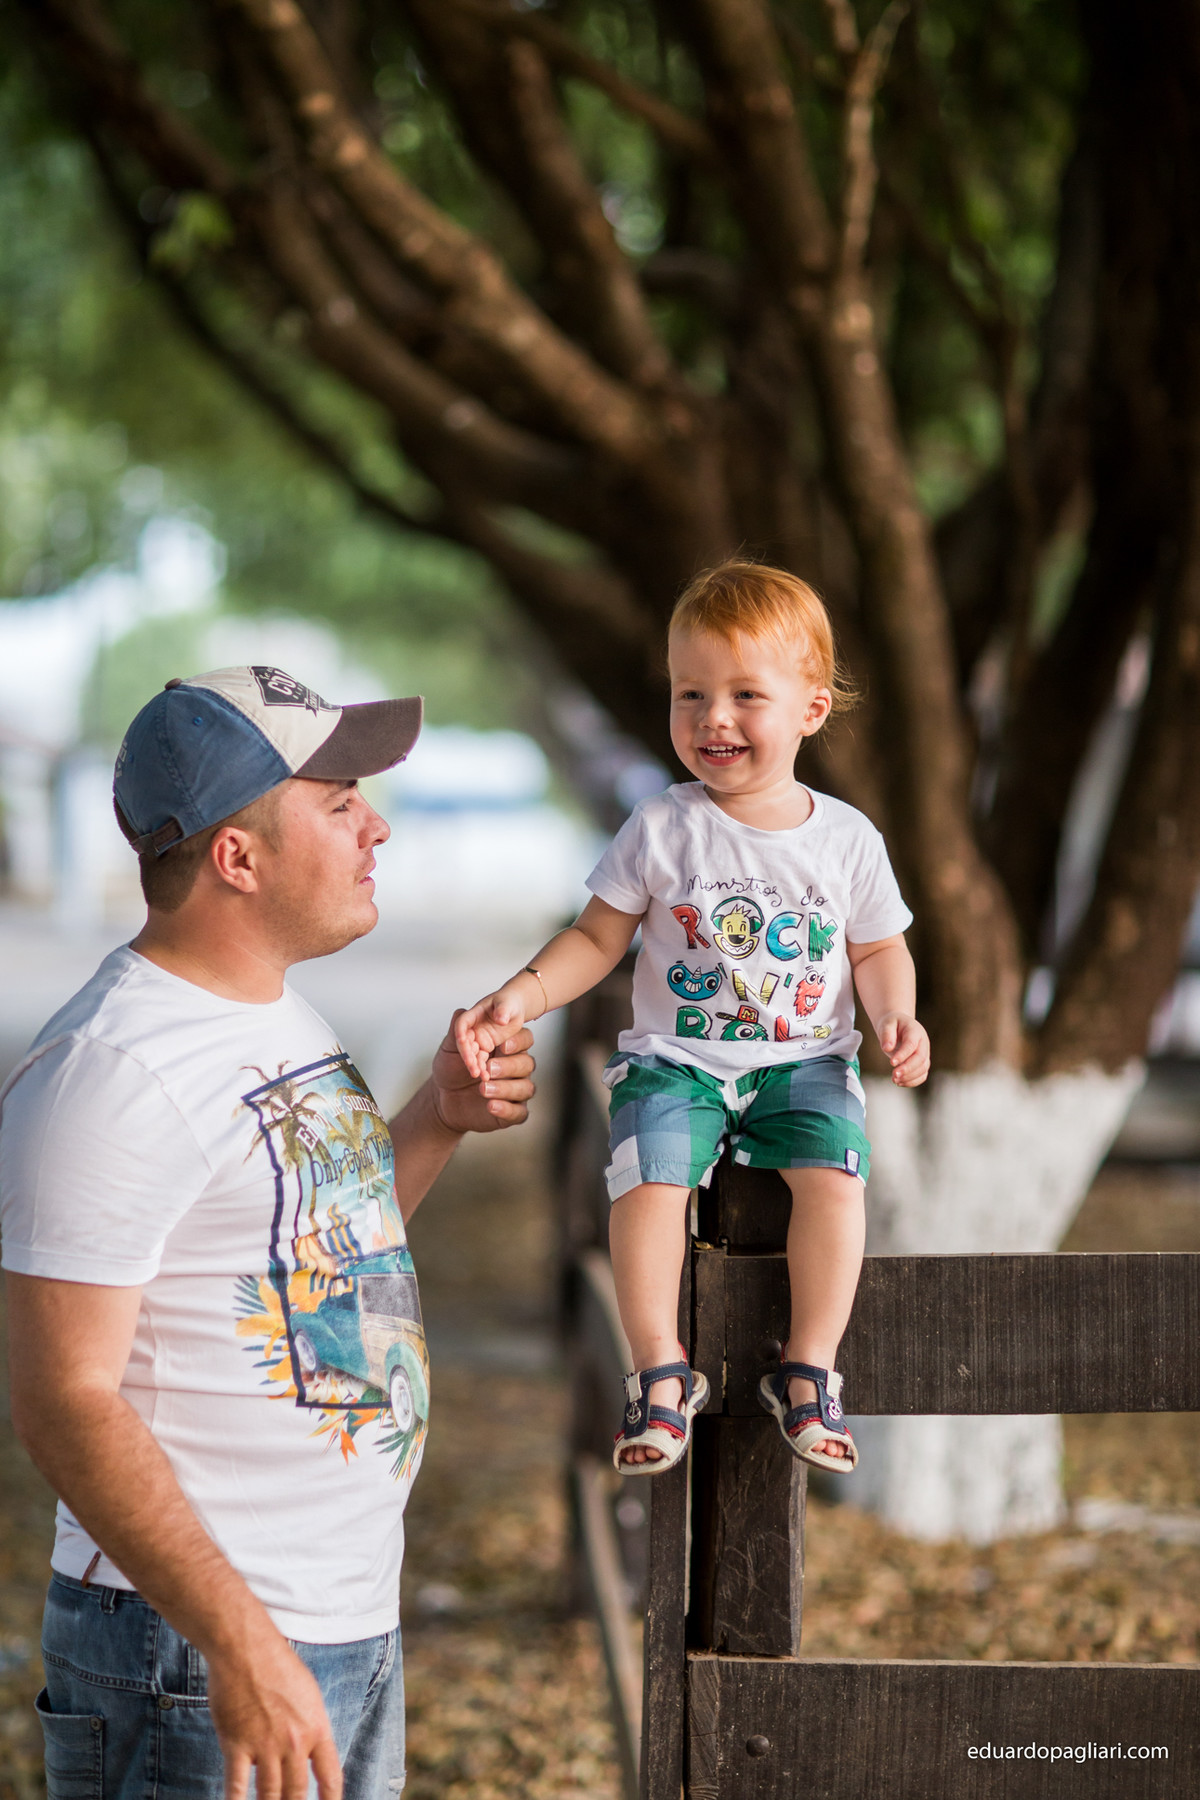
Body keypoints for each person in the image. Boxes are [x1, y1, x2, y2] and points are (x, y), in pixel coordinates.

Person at [0, 664, 536, 1800]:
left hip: (338, 1617)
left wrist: (437, 1118)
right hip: (189, 1654)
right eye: (339, 803)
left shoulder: (274, 1011)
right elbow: (62, 1399)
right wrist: (240, 1646)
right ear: (236, 858)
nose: (375, 826)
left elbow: (324, 1246)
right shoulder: (109, 1074)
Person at [457, 562, 930, 1475]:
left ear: (812, 710)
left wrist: (896, 1016)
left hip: (806, 1061)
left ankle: (809, 1373)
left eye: (745, 694)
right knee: (649, 1185)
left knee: (835, 1185)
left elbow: (878, 948)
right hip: (677, 1060)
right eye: (691, 694)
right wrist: (520, 993)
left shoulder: (846, 838)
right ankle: (660, 1376)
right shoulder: (662, 827)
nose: (713, 717)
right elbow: (597, 939)